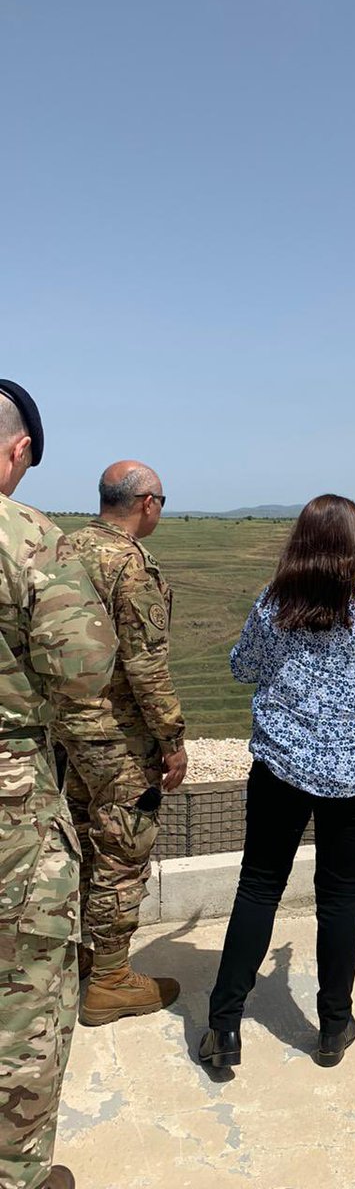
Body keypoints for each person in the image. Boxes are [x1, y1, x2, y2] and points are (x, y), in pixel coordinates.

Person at [199, 494, 355, 1068]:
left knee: (259, 888)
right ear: (354, 548)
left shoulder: (273, 605)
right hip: (352, 775)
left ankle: (224, 1028)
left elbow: (243, 668)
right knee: (339, 898)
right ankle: (332, 1027)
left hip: (278, 766)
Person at [0, 380, 119, 1189]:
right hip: (11, 800)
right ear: (17, 452)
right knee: (27, 997)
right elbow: (83, 672)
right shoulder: (29, 538)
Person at [59, 461, 187, 1025]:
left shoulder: (65, 547)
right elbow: (145, 663)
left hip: (67, 729)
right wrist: (171, 737)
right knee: (122, 852)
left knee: (87, 839)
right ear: (147, 503)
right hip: (119, 737)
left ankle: (87, 955)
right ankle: (110, 980)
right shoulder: (129, 566)